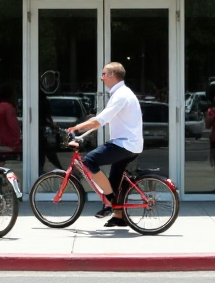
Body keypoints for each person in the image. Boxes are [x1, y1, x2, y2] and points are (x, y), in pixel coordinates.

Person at [67, 62, 143, 228]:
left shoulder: (121, 95)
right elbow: (103, 119)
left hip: (125, 144)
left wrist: (76, 128)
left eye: (103, 74)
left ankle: (109, 202)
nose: (101, 78)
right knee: (115, 179)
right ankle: (119, 217)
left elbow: (100, 120)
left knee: (90, 160)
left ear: (112, 75)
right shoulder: (121, 93)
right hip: (129, 144)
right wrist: (82, 135)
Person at [37, 90, 64, 172]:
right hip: (41, 131)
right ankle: (60, 168)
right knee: (46, 152)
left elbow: (46, 117)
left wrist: (51, 125)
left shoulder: (40, 104)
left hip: (40, 131)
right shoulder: (44, 104)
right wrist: (51, 125)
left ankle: (41, 169)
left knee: (43, 152)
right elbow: (47, 116)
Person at [0, 84, 22, 154]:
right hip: (10, 142)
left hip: (1, 139)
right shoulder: (8, 108)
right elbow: (13, 126)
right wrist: (17, 141)